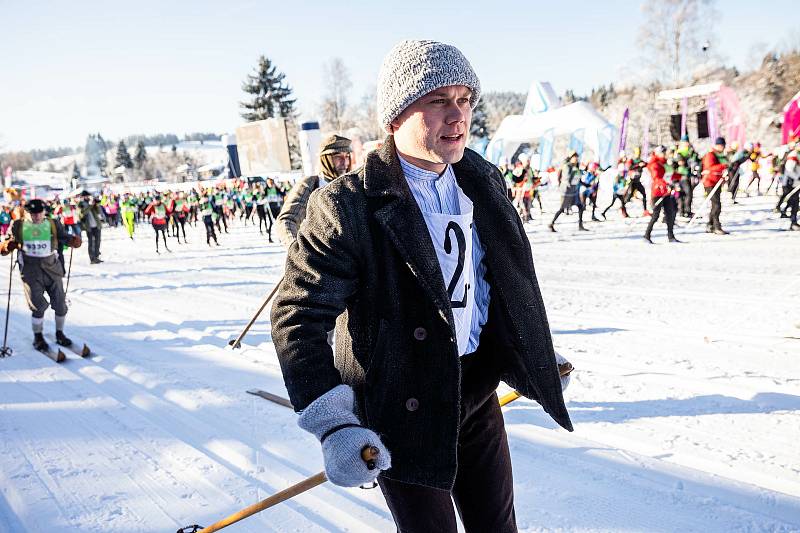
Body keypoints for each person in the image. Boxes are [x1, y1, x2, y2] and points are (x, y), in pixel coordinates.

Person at [270, 39, 572, 533]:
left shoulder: (480, 179)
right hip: (400, 402)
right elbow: (297, 317)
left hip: (474, 391)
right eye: (437, 101)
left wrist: (530, 352)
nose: (458, 116)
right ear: (395, 117)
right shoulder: (349, 205)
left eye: (465, 99)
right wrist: (334, 421)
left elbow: (495, 284)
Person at [0, 199, 81, 351]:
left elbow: (64, 237)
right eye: (33, 213)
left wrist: (73, 241)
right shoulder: (18, 225)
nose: (36, 216)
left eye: (39, 213)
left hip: (52, 269)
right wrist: (6, 246)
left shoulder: (53, 224)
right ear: (27, 213)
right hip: (31, 272)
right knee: (38, 306)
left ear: (44, 212)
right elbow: (5, 245)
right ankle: (38, 337)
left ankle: (60, 333)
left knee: (60, 304)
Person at [275, 134, 353, 248]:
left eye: (346, 156)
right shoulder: (312, 184)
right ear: (325, 159)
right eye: (338, 156)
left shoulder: (353, 184)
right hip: (323, 259)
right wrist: (297, 252)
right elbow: (286, 220)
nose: (344, 162)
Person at [644, 147, 679, 243]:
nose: (665, 154)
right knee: (655, 215)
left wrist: (680, 175)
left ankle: (671, 237)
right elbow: (657, 178)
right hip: (657, 192)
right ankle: (646, 236)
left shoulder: (665, 163)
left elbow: (669, 175)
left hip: (666, 192)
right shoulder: (654, 164)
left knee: (670, 214)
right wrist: (665, 184)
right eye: (663, 152)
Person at [549, 151, 589, 232]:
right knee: (562, 209)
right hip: (567, 191)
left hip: (574, 192)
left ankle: (580, 226)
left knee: (581, 207)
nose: (576, 158)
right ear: (570, 158)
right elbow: (566, 178)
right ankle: (551, 224)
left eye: (577, 157)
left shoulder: (576, 166)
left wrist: (586, 185)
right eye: (574, 157)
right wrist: (573, 173)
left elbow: (578, 179)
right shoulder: (567, 166)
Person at [701, 137, 729, 235]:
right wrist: (724, 166)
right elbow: (710, 168)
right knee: (717, 205)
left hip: (716, 182)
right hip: (709, 182)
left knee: (715, 205)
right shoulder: (710, 154)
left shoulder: (720, 155)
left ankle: (710, 225)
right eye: (722, 146)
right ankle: (716, 226)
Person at [624, 147, 650, 216]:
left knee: (644, 195)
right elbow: (629, 167)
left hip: (638, 181)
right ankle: (622, 209)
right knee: (629, 197)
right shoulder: (632, 160)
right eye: (637, 153)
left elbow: (647, 164)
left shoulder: (640, 160)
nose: (638, 154)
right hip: (632, 182)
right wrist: (638, 165)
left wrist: (644, 164)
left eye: (639, 153)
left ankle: (645, 211)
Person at [79, 194, 103, 263]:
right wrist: (90, 206)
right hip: (89, 227)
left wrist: (96, 205)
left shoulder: (93, 205)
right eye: (85, 196)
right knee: (91, 243)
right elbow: (82, 213)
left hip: (97, 226)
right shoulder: (81, 205)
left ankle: (96, 256)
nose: (87, 198)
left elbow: (99, 212)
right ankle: (92, 258)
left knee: (97, 242)